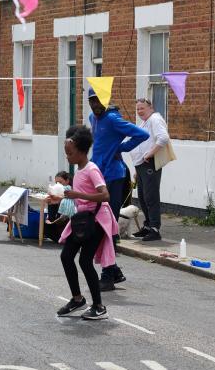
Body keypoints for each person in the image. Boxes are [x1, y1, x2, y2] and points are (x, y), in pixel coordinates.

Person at [87, 87, 149, 291]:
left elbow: (142, 134)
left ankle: (108, 274)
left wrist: (120, 148)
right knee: (103, 223)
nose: (94, 105)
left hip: (113, 177)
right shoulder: (92, 118)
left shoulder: (113, 119)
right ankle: (113, 271)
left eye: (97, 101)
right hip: (99, 174)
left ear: (105, 100)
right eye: (91, 101)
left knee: (107, 224)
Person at [56, 125, 118, 321]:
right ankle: (77, 299)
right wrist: (62, 203)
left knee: (84, 260)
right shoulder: (79, 170)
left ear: (81, 151)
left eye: (70, 153)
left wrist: (77, 194)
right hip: (82, 220)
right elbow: (79, 200)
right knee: (66, 256)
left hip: (97, 221)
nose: (67, 156)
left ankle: (99, 306)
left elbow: (105, 195)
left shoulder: (92, 169)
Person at [130, 98, 171, 242]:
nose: (139, 111)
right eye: (138, 109)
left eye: (142, 108)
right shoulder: (145, 122)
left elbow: (163, 138)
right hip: (141, 166)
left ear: (150, 108)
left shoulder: (155, 119)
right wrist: (137, 169)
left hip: (150, 164)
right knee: (142, 197)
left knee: (150, 196)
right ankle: (148, 226)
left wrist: (150, 153)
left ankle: (155, 229)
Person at [45, 171, 77, 243]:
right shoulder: (60, 191)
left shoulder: (71, 190)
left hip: (68, 218)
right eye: (56, 183)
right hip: (59, 219)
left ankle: (63, 237)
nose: (58, 184)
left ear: (67, 181)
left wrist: (57, 199)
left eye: (60, 182)